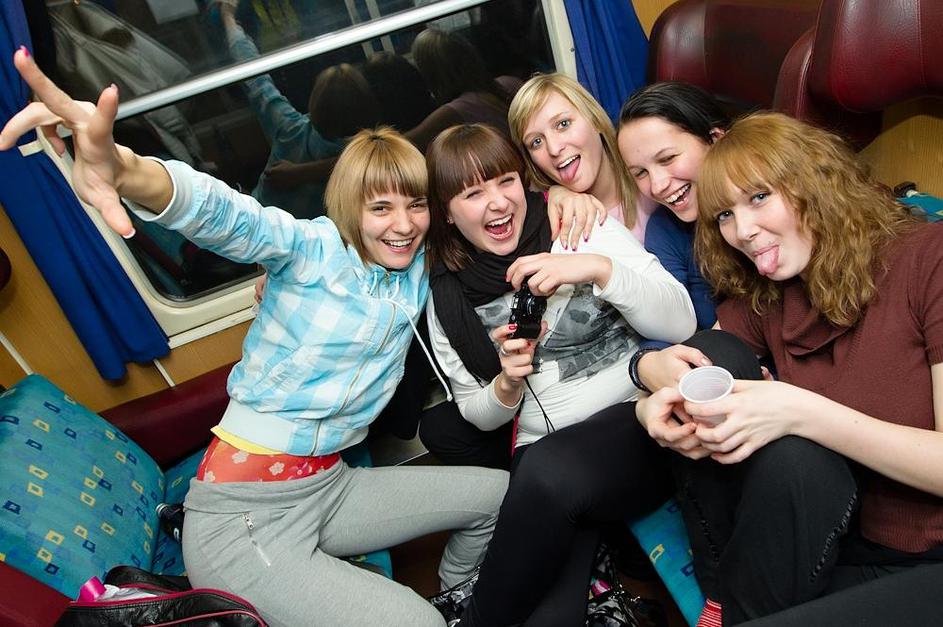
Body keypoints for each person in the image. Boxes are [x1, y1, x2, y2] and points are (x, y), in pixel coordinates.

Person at [0, 48, 508, 627]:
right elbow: (229, 217)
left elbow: (485, 218)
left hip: (329, 486)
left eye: (415, 205)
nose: (403, 223)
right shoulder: (311, 250)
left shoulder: (417, 265)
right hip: (241, 520)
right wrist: (122, 167)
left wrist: (565, 195)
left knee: (495, 496)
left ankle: (457, 597)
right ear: (350, 209)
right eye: (381, 207)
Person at [635, 112, 943, 625]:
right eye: (724, 215)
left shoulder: (928, 258)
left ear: (816, 184)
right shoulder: (772, 291)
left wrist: (801, 412)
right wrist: (648, 398)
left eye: (759, 197)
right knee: (717, 362)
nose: (742, 232)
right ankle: (723, 596)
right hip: (839, 536)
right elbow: (695, 363)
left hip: (927, 557)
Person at [424, 124, 696, 626]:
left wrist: (597, 269)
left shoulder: (578, 224)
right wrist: (507, 383)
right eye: (472, 194)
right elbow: (477, 415)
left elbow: (681, 322)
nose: (498, 203)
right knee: (547, 615)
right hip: (548, 470)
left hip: (637, 424)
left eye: (505, 181)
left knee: (545, 472)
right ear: (446, 211)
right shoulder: (446, 296)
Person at [263, 28, 523, 189]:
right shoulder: (507, 84)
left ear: (432, 74)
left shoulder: (453, 113)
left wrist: (298, 173)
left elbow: (379, 153)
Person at [220, 3, 380, 218]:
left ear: (314, 103)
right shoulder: (374, 156)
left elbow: (255, 79)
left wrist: (228, 18)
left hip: (266, 221)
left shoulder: (290, 129)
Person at [617, 81, 731, 331]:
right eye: (640, 173)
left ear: (715, 140)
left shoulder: (769, 206)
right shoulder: (665, 228)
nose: (657, 186)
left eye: (667, 158)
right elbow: (666, 319)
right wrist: (649, 355)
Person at [508, 72, 656, 242]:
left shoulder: (654, 178)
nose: (554, 149)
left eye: (563, 124)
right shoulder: (552, 226)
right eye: (536, 142)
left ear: (594, 119)